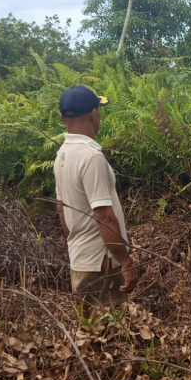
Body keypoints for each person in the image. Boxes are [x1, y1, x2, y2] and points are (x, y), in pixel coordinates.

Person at [54, 85, 138, 312]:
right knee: (111, 336)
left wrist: (76, 243)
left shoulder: (62, 155)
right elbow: (103, 216)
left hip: (80, 259)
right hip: (103, 263)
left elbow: (62, 209)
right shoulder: (91, 157)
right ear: (94, 113)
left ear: (63, 117)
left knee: (89, 335)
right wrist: (125, 262)